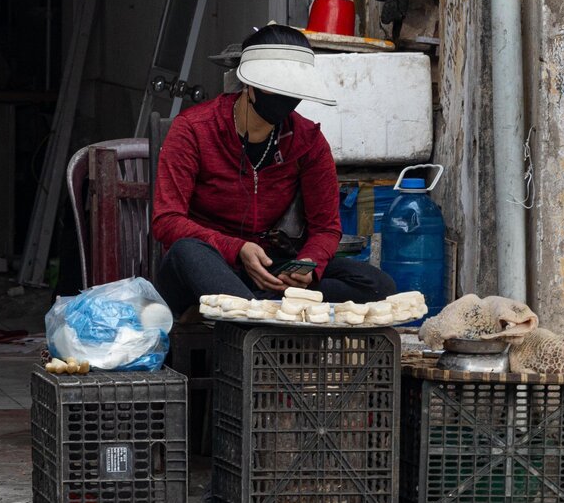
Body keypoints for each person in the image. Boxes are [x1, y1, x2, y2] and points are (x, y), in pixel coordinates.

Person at [151, 23, 396, 316]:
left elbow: (326, 228)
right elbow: (166, 220)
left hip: (270, 270)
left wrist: (308, 266)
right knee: (186, 251)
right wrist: (236, 248)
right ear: (249, 84)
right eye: (274, 86)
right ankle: (259, 314)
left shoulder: (308, 141)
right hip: (208, 267)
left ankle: (259, 309)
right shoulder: (194, 130)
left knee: (377, 285)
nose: (284, 96)